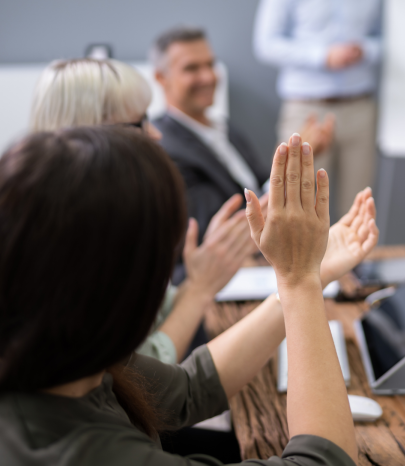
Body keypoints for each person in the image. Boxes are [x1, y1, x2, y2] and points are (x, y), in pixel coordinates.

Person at [0, 125, 363, 464]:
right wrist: (299, 281)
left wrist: (304, 276)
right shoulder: (86, 450)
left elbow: (188, 389)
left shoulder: (60, 352)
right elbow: (321, 459)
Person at [27, 58, 379, 368]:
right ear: (87, 140)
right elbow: (145, 384)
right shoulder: (76, 249)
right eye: (138, 125)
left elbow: (167, 357)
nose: (155, 134)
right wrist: (202, 288)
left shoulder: (103, 222)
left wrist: (303, 280)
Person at [151, 26, 334, 241]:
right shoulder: (165, 150)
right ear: (161, 78)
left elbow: (260, 185)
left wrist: (291, 160)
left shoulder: (226, 128)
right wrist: (293, 163)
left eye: (210, 65)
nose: (208, 77)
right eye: (191, 68)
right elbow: (220, 232)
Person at [254, 0, 382, 218]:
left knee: (358, 208)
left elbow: (393, 39)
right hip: (306, 109)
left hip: (359, 107)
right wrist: (322, 56)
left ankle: (355, 260)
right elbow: (266, 44)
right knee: (298, 206)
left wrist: (364, 50)